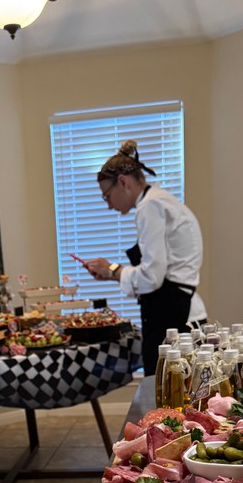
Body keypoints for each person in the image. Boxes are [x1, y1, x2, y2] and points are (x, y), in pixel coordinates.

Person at [84, 140, 206, 375]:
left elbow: (152, 277)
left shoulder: (150, 207)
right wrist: (112, 273)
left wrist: (113, 270)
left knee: (165, 391)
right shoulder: (162, 201)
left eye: (107, 196)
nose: (109, 205)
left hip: (172, 318)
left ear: (123, 182)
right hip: (179, 311)